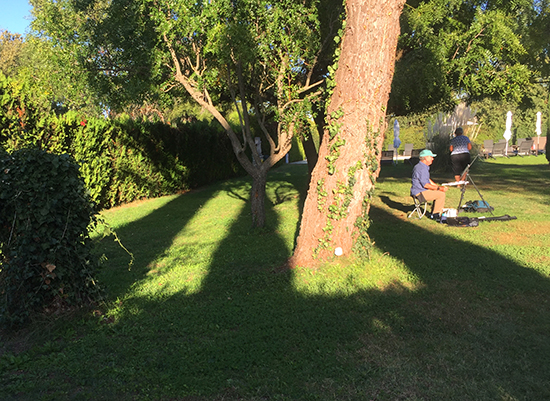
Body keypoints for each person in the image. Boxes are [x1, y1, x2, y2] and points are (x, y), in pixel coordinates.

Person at [411, 149, 448, 220]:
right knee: (441, 195)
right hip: (420, 193)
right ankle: (435, 215)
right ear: (425, 158)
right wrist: (439, 188)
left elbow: (428, 180)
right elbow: (426, 185)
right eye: (431, 157)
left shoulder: (420, 166)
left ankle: (434, 212)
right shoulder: (422, 168)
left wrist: (437, 186)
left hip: (417, 191)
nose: (432, 159)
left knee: (439, 192)